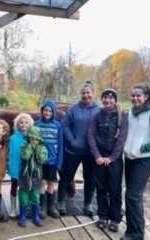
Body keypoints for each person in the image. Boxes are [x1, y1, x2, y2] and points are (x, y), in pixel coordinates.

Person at [121, 83, 150, 240]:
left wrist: (142, 148)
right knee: (130, 195)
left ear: (146, 96)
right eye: (133, 95)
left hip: (144, 161)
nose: (135, 98)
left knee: (133, 195)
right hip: (130, 159)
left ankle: (137, 234)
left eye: (138, 95)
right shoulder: (131, 113)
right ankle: (131, 230)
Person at [57, 80, 100, 216]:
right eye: (83, 93)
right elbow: (65, 125)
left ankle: (87, 204)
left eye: (88, 93)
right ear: (80, 94)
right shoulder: (73, 109)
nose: (85, 95)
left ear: (93, 94)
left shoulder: (99, 110)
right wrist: (72, 141)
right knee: (66, 176)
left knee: (90, 178)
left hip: (91, 152)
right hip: (72, 150)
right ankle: (60, 202)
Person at [87, 88, 128, 232]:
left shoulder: (122, 117)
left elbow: (121, 138)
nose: (107, 100)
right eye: (105, 97)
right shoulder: (96, 116)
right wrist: (97, 156)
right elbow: (91, 136)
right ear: (101, 99)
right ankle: (103, 216)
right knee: (101, 188)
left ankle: (116, 218)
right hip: (98, 159)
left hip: (114, 159)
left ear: (115, 100)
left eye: (111, 98)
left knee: (115, 190)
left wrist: (111, 158)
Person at [35, 99, 63, 219]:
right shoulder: (36, 125)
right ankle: (43, 206)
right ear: (42, 111)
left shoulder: (58, 126)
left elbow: (61, 145)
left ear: (53, 112)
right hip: (40, 160)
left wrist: (59, 162)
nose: (47, 113)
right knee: (41, 182)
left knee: (51, 182)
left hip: (52, 159)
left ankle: (51, 206)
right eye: (45, 110)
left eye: (50, 111)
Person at [17, 126, 47, 227]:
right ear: (28, 138)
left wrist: (37, 149)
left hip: (36, 178)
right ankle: (22, 216)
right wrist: (29, 147)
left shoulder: (42, 148)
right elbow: (24, 156)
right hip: (24, 177)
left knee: (35, 196)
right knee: (23, 196)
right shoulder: (24, 146)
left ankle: (35, 216)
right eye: (31, 138)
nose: (34, 140)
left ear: (39, 139)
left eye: (36, 139)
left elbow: (42, 160)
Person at [7, 113, 34, 219]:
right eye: (21, 123)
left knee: (26, 187)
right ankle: (13, 208)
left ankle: (24, 206)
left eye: (26, 122)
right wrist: (9, 165)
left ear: (29, 124)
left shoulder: (31, 138)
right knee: (14, 187)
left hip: (27, 168)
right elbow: (10, 153)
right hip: (15, 168)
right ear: (17, 124)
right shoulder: (13, 138)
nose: (23, 124)